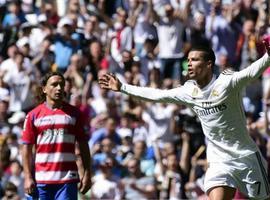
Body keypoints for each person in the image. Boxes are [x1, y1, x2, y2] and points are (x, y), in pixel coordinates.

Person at [98, 39, 270, 199]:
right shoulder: (189, 91)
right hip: (219, 160)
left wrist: (268, 56)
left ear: (209, 64)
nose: (189, 63)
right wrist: (123, 87)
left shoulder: (227, 83)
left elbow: (251, 72)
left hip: (245, 157)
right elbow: (157, 95)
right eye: (188, 60)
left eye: (195, 60)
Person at [21, 71, 91, 200]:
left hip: (67, 181)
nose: (59, 88)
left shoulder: (75, 114)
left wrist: (87, 173)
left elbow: (83, 145)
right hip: (41, 180)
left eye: (62, 85)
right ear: (44, 89)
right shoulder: (33, 115)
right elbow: (26, 148)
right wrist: (27, 177)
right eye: (54, 84)